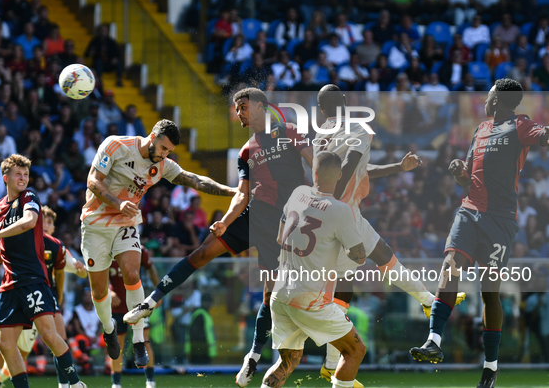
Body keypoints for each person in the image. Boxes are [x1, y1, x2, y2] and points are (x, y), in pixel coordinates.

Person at [123, 88, 313, 388]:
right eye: (236, 108)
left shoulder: (290, 133)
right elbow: (242, 193)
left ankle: (252, 356)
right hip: (253, 217)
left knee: (269, 296)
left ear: (261, 106)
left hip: (285, 224)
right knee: (201, 253)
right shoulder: (246, 150)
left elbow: (315, 165)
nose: (238, 112)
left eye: (243, 106)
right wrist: (224, 222)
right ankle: (150, 302)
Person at [313, 85, 465, 384]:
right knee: (381, 258)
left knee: (342, 288)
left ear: (321, 111)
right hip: (342, 213)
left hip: (325, 214)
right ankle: (426, 300)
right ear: (345, 102)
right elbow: (350, 167)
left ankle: (331, 364)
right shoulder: (357, 128)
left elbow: (358, 170)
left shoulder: (320, 136)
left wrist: (398, 166)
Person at [410, 78, 549, 388]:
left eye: (488, 96)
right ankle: (433, 340)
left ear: (497, 99)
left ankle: (490, 367)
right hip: (469, 210)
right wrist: (461, 171)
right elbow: (467, 178)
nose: (484, 101)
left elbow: (543, 137)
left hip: (500, 220)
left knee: (489, 292)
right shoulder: (481, 130)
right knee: (451, 266)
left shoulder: (520, 125)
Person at [81, 119, 234, 367]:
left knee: (132, 273)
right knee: (99, 291)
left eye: (169, 152)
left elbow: (195, 180)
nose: (164, 155)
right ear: (152, 136)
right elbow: (92, 181)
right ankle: (108, 329)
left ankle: (139, 339)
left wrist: (232, 191)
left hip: (126, 223)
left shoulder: (162, 165)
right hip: (95, 223)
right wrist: (118, 203)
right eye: (162, 148)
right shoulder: (116, 145)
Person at [0, 154, 86, 388]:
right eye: (18, 174)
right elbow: (6, 247)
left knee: (48, 334)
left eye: (26, 174)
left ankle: (75, 384)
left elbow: (28, 222)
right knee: (4, 343)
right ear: (5, 177)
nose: (23, 178)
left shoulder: (30, 197)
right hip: (9, 283)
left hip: (32, 278)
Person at [263, 151, 367, 388]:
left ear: (314, 172)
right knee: (355, 350)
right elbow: (359, 256)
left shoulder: (298, 193)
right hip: (309, 299)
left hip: (281, 293)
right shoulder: (340, 210)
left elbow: (280, 238)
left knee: (287, 362)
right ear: (340, 176)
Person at [109, 246, 159, 388]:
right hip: (117, 306)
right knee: (117, 345)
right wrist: (108, 292)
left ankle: (150, 381)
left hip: (138, 305)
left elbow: (150, 268)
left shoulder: (140, 249)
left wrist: (158, 291)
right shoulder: (107, 249)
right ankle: (116, 384)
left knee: (145, 341)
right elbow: (98, 275)